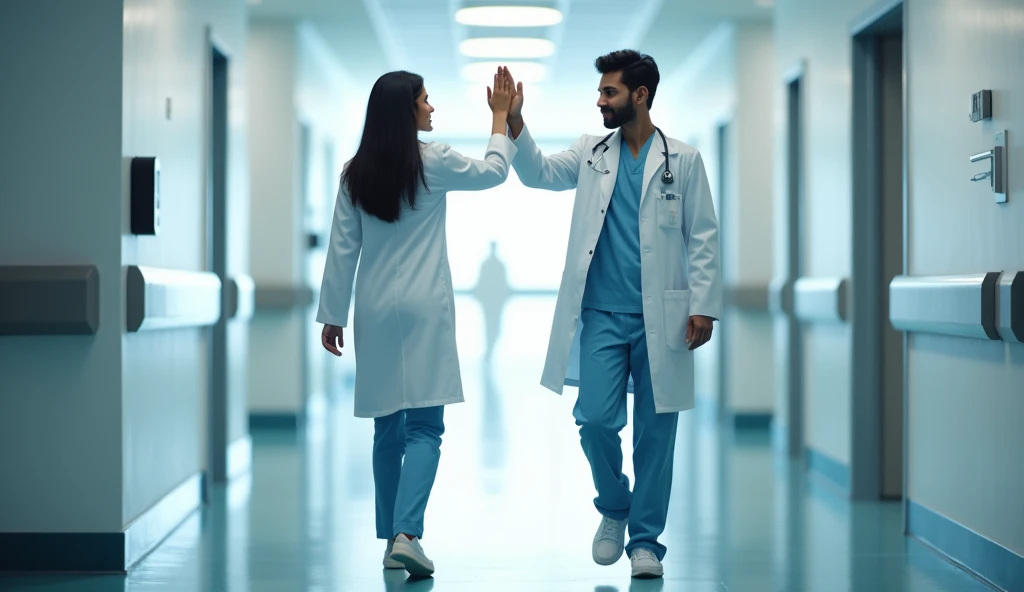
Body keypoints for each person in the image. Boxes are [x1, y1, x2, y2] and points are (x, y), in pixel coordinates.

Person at [502, 51, 722, 579]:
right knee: (596, 421)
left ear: (640, 95)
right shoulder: (590, 152)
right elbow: (536, 173)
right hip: (600, 314)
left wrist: (703, 306)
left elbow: (704, 237)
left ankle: (645, 542)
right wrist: (514, 123)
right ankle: (615, 505)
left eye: (609, 93)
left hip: (662, 318)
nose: (600, 101)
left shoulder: (684, 161)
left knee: (656, 434)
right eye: (601, 92)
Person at [316, 68, 517, 577]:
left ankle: (390, 540)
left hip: (376, 310)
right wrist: (498, 117)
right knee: (426, 427)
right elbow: (494, 171)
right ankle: (408, 533)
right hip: (425, 306)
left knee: (388, 426)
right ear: (406, 111)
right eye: (426, 101)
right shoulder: (435, 161)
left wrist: (332, 316)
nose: (432, 109)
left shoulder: (354, 174)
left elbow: (343, 250)